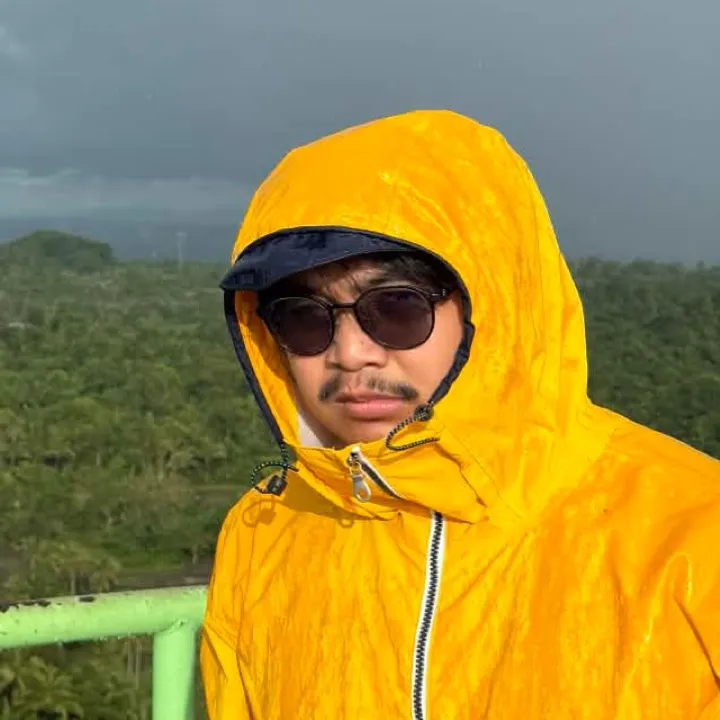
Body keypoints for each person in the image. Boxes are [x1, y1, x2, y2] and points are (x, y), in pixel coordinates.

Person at [199, 109, 720, 719]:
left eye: (395, 307)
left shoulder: (688, 533)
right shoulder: (265, 533)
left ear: (495, 306)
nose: (349, 353)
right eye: (302, 318)